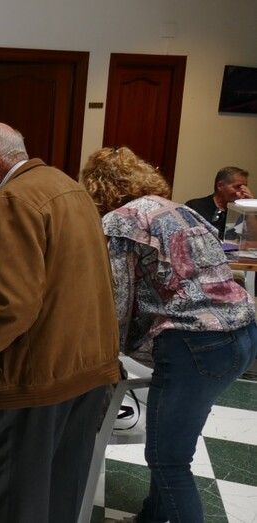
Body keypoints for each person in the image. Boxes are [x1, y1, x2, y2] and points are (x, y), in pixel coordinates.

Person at [0, 122, 120, 523]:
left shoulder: (12, 200)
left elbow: (10, 308)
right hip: (88, 372)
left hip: (36, 382)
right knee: (60, 498)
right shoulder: (68, 186)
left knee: (15, 504)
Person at [80, 147, 257, 523]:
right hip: (243, 333)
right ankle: (150, 517)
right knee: (175, 443)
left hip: (195, 343)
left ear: (98, 188)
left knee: (167, 460)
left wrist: (104, 358)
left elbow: (117, 300)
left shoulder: (118, 221)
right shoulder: (179, 208)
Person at [184, 166, 251, 238]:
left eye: (244, 188)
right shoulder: (194, 207)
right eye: (237, 187)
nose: (242, 192)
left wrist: (250, 207)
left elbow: (251, 239)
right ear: (220, 186)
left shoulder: (241, 212)